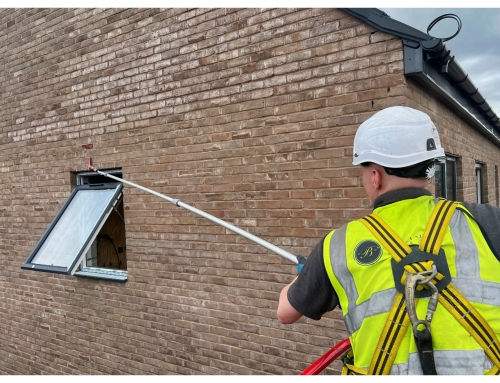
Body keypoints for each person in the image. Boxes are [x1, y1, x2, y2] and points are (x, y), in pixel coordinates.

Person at [277, 106, 500, 375]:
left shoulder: (337, 246)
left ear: (375, 176)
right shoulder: (488, 221)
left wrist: (307, 274)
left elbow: (286, 313)